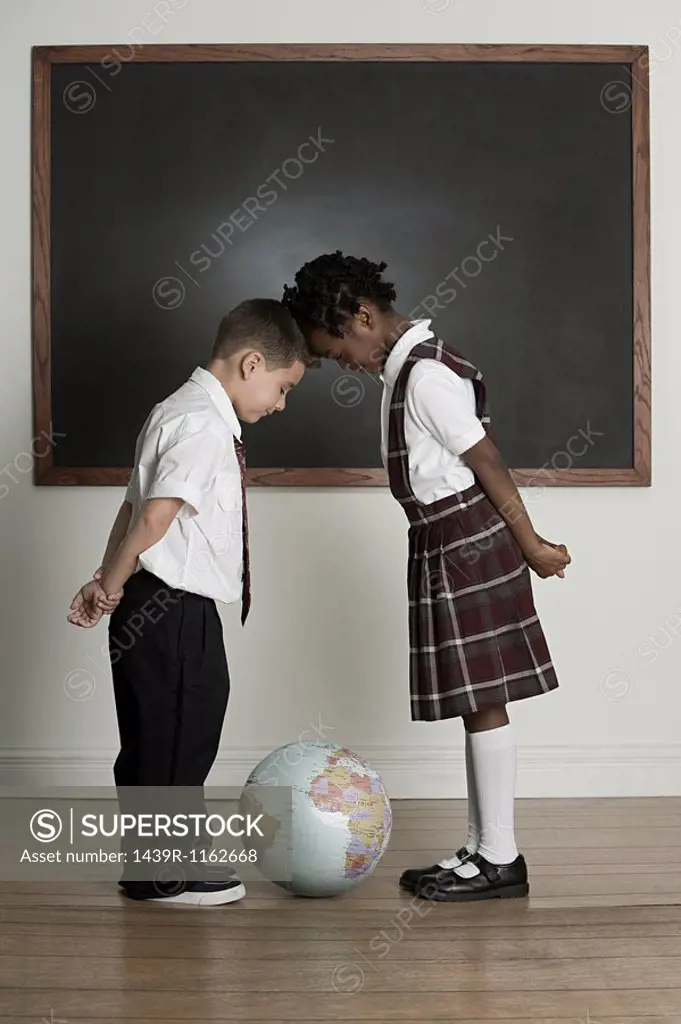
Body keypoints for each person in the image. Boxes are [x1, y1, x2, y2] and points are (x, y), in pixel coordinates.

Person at [282, 252, 570, 902]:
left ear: (361, 315)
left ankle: (499, 857)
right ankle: (482, 849)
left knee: (484, 697)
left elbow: (487, 460)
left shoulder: (424, 376)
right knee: (475, 700)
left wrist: (530, 544)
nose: (340, 365)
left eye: (336, 350)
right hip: (443, 539)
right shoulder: (408, 369)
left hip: (466, 538)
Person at [67, 298, 315, 906]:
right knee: (181, 731)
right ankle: (168, 874)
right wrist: (114, 583)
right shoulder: (204, 425)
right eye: (282, 389)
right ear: (253, 363)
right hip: (171, 608)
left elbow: (131, 507)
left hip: (149, 601)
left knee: (156, 734)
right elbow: (153, 516)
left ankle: (148, 867)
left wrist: (107, 580)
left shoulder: (173, 410)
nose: (280, 405)